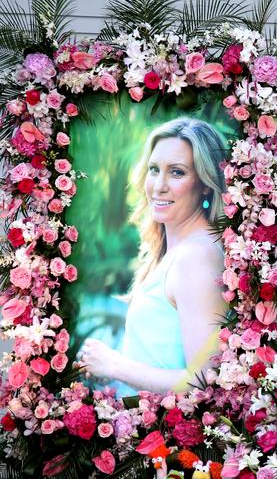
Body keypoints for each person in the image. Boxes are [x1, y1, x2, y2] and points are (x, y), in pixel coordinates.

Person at [78, 118, 228, 394]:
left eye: (177, 172)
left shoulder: (195, 257)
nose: (159, 185)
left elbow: (203, 381)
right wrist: (112, 368)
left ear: (206, 184)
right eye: (154, 169)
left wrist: (115, 366)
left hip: (166, 437)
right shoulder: (174, 251)